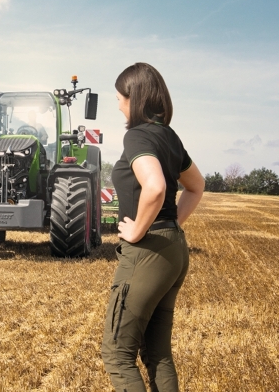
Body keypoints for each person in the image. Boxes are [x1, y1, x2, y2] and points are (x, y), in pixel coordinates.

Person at [101, 63, 204, 392]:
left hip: (147, 253)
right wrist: (169, 226)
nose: (118, 104)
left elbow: (156, 187)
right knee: (157, 353)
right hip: (174, 249)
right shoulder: (169, 137)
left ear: (133, 97)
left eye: (119, 97)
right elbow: (196, 186)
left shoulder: (137, 135)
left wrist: (138, 230)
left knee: (117, 354)